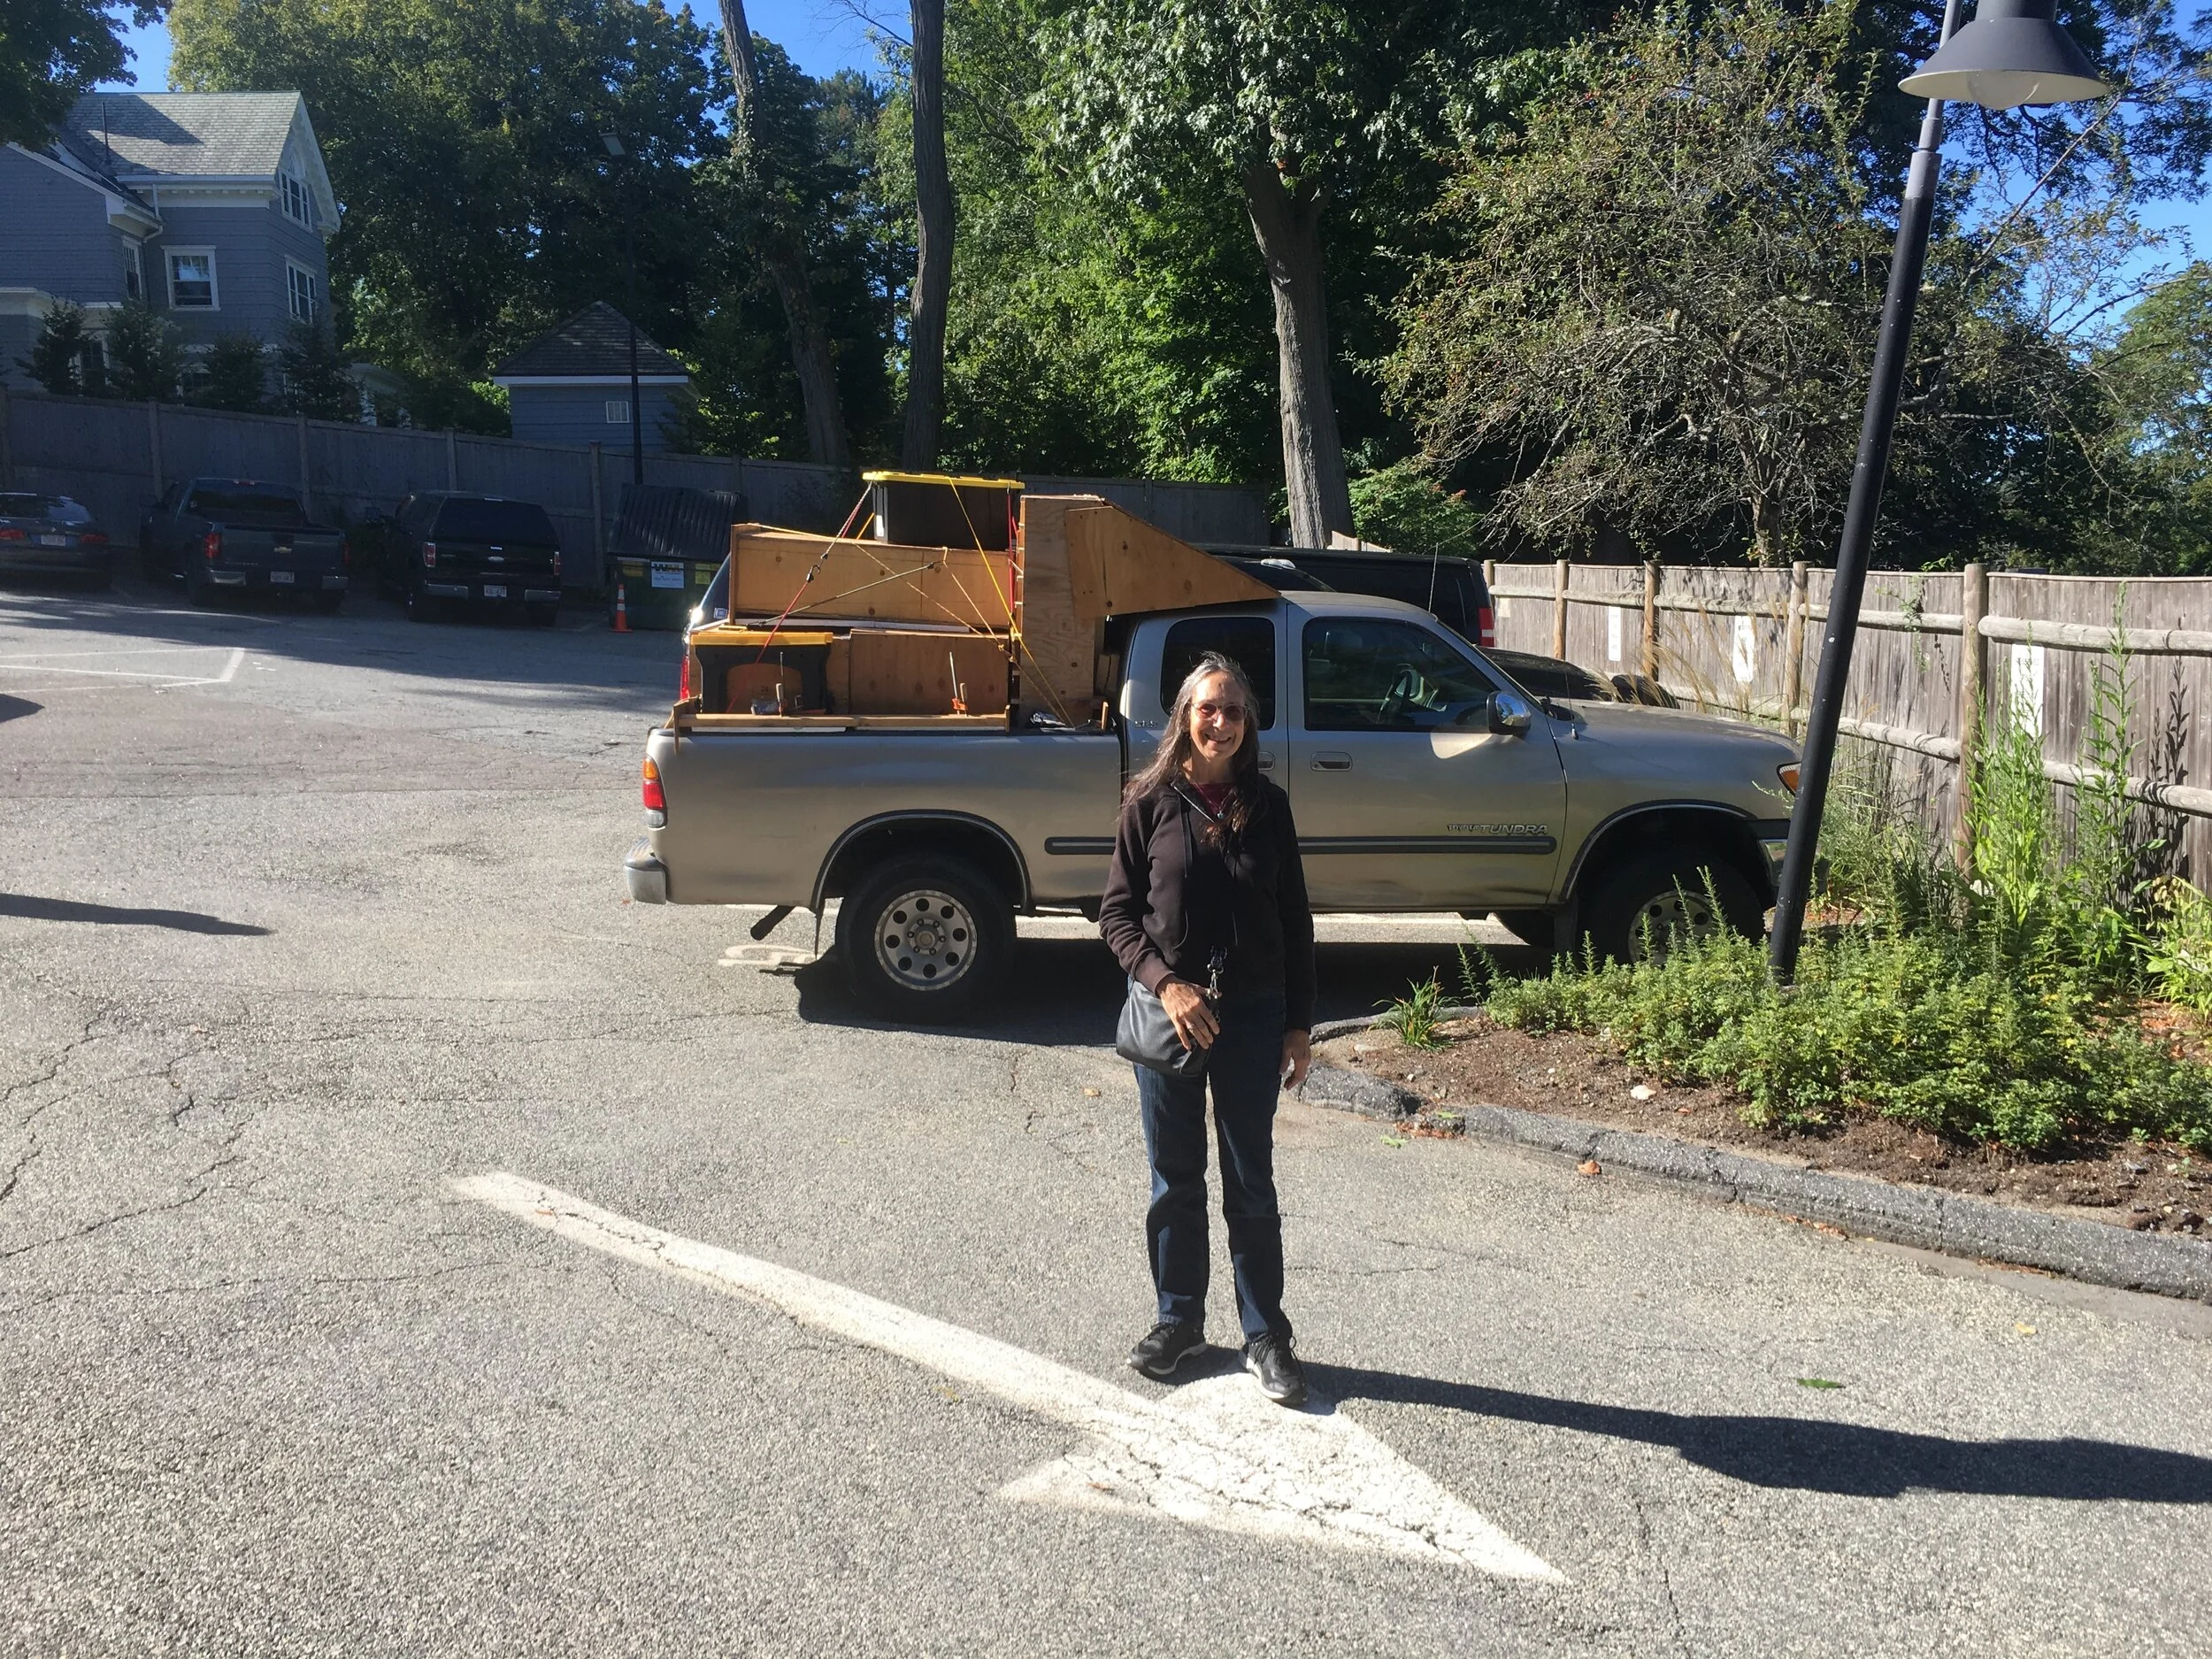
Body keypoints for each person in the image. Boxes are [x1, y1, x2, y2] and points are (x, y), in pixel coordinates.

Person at [1098, 652, 1317, 1407]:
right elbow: (1117, 916)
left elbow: (1295, 921)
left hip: (1252, 1017)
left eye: (1232, 709)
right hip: (1171, 1019)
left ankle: (1266, 1335)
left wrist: (1298, 1025)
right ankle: (1178, 1320)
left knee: (1250, 1180)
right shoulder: (1149, 801)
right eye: (1206, 708)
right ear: (1185, 717)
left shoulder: (1269, 806)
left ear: (1247, 722)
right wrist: (1168, 984)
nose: (1220, 721)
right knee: (1175, 1179)